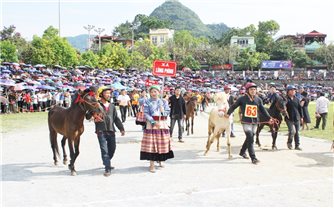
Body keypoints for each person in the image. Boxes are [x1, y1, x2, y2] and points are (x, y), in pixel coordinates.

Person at [224, 82, 273, 165]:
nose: (253, 91)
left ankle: (242, 151)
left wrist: (269, 118)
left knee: (249, 138)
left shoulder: (258, 99)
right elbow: (234, 106)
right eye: (251, 89)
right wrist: (228, 113)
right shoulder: (242, 99)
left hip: (255, 122)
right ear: (247, 90)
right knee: (251, 138)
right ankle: (253, 158)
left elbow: (263, 110)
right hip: (246, 122)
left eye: (254, 89)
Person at [86, 86, 125, 177]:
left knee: (112, 149)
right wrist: (93, 116)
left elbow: (116, 119)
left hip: (111, 130)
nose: (109, 95)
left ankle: (106, 161)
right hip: (101, 131)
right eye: (106, 93)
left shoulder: (112, 106)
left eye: (109, 93)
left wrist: (121, 128)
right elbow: (87, 116)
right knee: (104, 150)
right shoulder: (96, 105)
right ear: (101, 94)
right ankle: (107, 168)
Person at [140, 85, 174, 173]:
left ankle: (160, 160)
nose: (153, 93)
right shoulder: (147, 102)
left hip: (162, 124)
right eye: (152, 92)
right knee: (151, 144)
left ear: (159, 92)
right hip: (151, 124)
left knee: (161, 142)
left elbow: (167, 112)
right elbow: (146, 113)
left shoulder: (163, 102)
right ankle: (151, 164)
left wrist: (163, 111)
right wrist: (153, 122)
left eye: (155, 91)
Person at [285, 85, 304, 150]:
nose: (293, 91)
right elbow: (283, 108)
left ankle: (297, 145)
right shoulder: (286, 99)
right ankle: (289, 143)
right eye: (291, 90)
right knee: (292, 131)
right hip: (289, 118)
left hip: (297, 117)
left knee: (297, 132)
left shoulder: (297, 99)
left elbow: (300, 109)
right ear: (288, 91)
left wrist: (301, 117)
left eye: (294, 90)